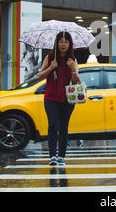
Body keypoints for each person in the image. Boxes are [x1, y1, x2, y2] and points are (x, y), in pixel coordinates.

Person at [37, 31, 79, 166]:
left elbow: (76, 81)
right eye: (61, 41)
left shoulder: (72, 60)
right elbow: (40, 76)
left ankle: (61, 156)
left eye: (66, 42)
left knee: (64, 127)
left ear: (70, 44)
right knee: (53, 125)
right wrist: (51, 67)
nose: (63, 44)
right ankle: (52, 156)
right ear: (57, 43)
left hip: (67, 99)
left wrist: (73, 69)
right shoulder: (50, 57)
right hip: (51, 98)